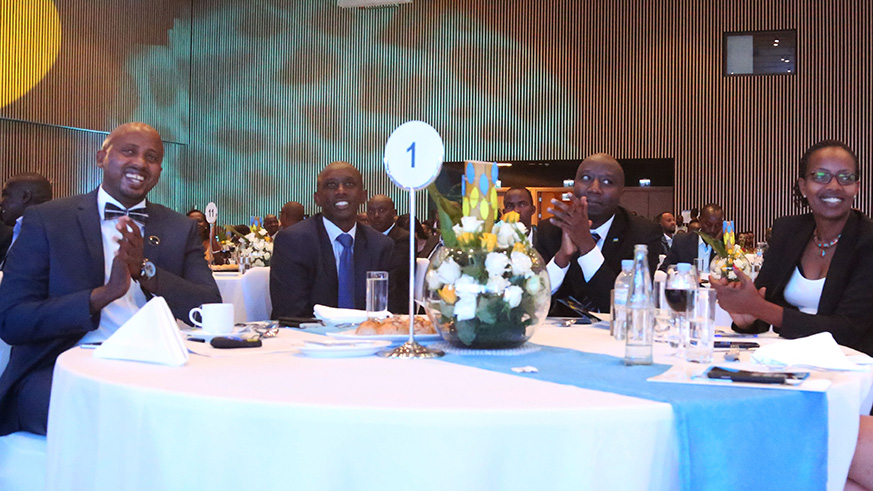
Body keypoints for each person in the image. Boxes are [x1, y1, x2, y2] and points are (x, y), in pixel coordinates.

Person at [0, 122, 221, 436]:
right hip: (61, 368)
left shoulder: (177, 228)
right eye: (128, 151)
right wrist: (102, 295)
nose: (140, 163)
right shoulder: (49, 220)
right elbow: (12, 320)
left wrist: (147, 272)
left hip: (160, 364)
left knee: (212, 413)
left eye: (152, 157)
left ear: (159, 169)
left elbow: (210, 306)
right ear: (101, 157)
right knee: (120, 418)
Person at [712, 140, 873, 354]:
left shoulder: (867, 239)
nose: (834, 186)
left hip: (855, 368)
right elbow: (763, 300)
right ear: (803, 186)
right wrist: (747, 319)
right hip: (789, 360)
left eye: (846, 177)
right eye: (821, 176)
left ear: (857, 188)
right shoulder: (788, 232)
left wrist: (759, 308)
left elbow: (847, 330)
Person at [537, 153, 661, 313]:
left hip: (614, 335)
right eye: (586, 178)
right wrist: (562, 258)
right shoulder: (550, 229)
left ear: (621, 192)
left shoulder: (643, 233)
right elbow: (534, 301)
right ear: (574, 185)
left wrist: (586, 244)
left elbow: (628, 307)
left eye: (607, 182)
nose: (594, 188)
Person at [270, 161, 394, 318]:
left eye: (349, 184)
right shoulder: (293, 242)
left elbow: (389, 312)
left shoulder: (381, 246)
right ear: (317, 198)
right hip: (309, 339)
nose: (340, 191)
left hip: (368, 338)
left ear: (363, 196)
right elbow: (290, 312)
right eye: (331, 185)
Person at [366, 194, 410, 313]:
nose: (376, 215)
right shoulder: (363, 237)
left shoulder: (404, 238)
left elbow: (395, 275)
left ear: (394, 213)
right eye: (371, 211)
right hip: (366, 298)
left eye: (382, 210)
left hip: (392, 304)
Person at [0, 172, 53, 265]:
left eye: (6, 195)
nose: (1, 202)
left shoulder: (47, 238)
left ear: (25, 197)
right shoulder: (17, 230)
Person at [659, 203, 724, 271]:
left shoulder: (726, 247)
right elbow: (665, 269)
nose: (712, 230)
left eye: (717, 226)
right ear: (700, 220)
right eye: (708, 225)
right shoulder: (681, 242)